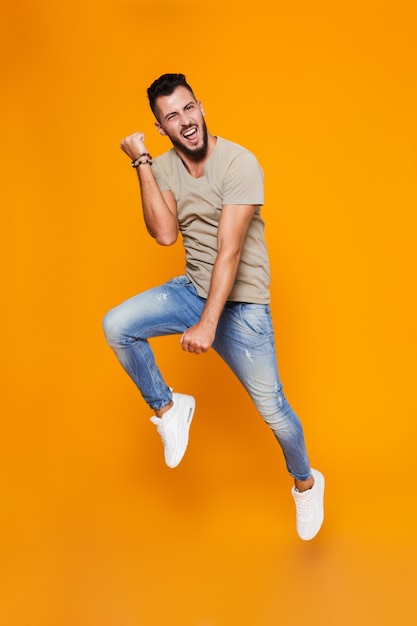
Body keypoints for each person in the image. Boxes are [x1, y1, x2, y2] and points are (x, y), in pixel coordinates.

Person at [103, 73, 324, 540]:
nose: (184, 121)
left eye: (188, 109)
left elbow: (230, 249)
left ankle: (305, 484)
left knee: (275, 411)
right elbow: (164, 234)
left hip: (244, 309)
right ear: (161, 128)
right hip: (192, 291)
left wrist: (208, 324)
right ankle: (168, 408)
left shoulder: (240, 162)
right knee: (116, 325)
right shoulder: (161, 166)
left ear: (201, 107)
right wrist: (141, 161)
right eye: (171, 116)